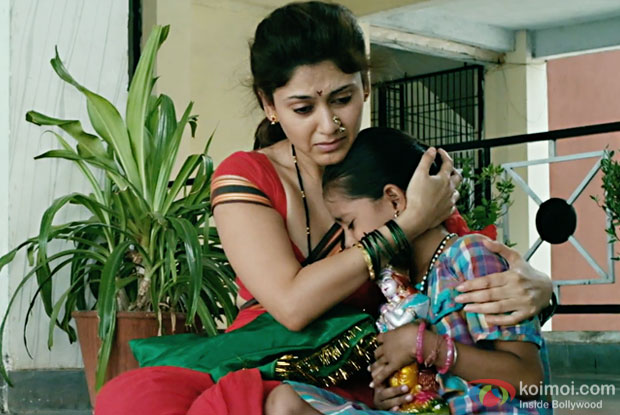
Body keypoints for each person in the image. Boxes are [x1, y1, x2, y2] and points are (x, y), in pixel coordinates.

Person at [94, 2, 553, 414]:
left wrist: (543, 289)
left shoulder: (389, 168)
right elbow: (292, 306)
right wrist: (409, 221)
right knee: (135, 401)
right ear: (269, 105)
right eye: (303, 108)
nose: (329, 125)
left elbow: (461, 268)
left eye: (342, 99)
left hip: (373, 373)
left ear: (365, 86)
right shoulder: (248, 176)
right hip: (263, 360)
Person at [274, 127, 550, 414]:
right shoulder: (395, 283)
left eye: (350, 224)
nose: (348, 242)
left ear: (394, 199)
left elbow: (527, 378)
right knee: (286, 401)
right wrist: (390, 397)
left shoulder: (469, 256)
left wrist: (425, 345)